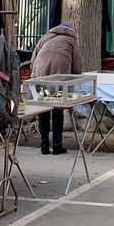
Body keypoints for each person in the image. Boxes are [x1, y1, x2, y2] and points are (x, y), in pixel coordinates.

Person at [29, 22, 82, 155]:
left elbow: (33, 59)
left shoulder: (45, 37)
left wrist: (35, 73)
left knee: (44, 108)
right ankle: (57, 145)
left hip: (41, 73)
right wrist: (74, 79)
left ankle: (44, 144)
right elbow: (77, 66)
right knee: (58, 109)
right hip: (60, 76)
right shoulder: (71, 40)